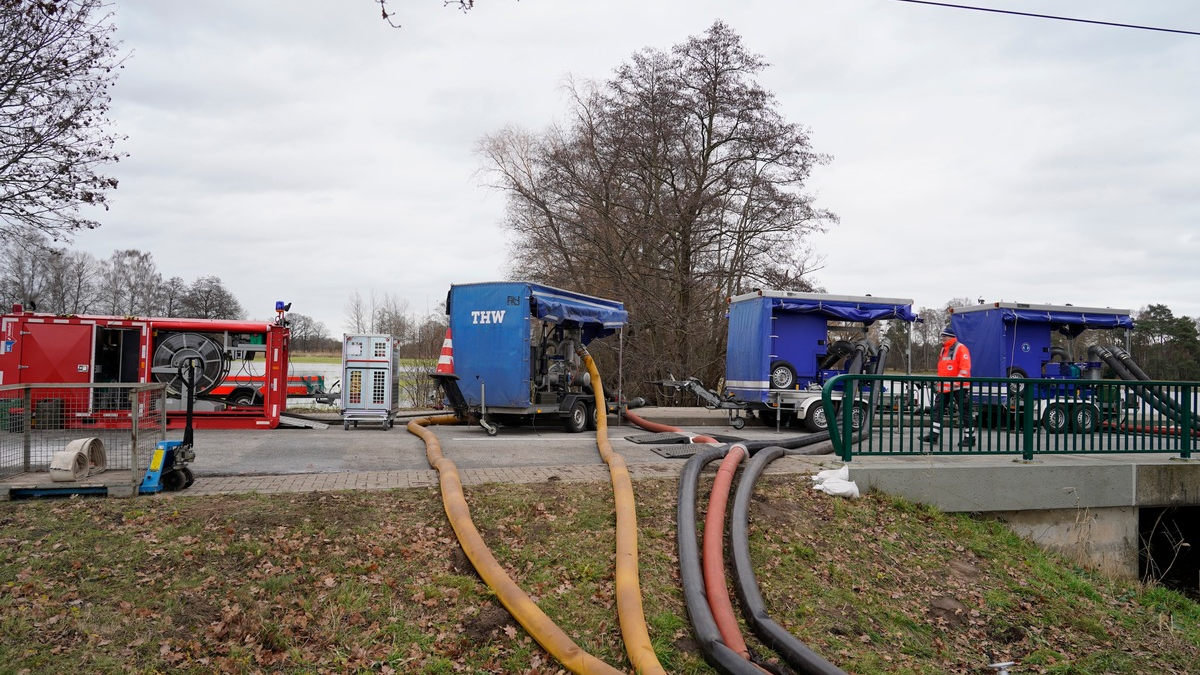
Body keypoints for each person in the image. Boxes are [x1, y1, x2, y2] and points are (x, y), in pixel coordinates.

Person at [922, 325, 975, 447]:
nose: (942, 338)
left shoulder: (960, 348)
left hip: (959, 387)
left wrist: (956, 382)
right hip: (945, 388)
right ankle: (933, 436)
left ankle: (970, 438)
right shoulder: (944, 349)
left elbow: (965, 368)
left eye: (944, 336)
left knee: (965, 412)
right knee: (937, 410)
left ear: (950, 337)